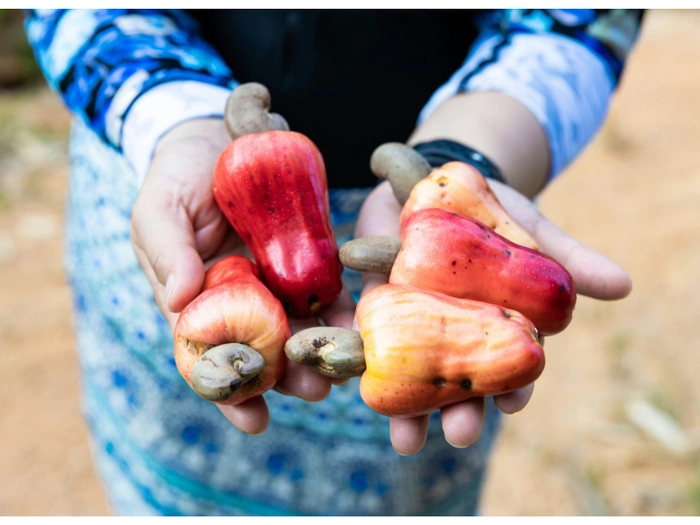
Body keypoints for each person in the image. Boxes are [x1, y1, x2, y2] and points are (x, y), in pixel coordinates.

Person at [25, 9, 641, 516]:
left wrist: (468, 149)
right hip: (197, 209)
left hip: (430, 194)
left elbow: (578, 18)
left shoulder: (433, 238)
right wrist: (174, 120)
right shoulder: (218, 205)